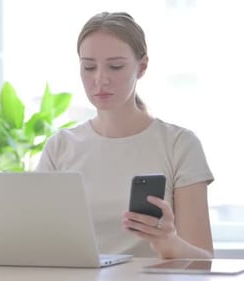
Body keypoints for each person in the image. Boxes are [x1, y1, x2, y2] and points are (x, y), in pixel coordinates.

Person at [35, 11, 214, 259]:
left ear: (142, 67)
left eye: (115, 66)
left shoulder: (179, 145)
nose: (100, 79)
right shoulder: (60, 147)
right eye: (88, 67)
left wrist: (170, 243)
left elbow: (205, 262)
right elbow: (37, 241)